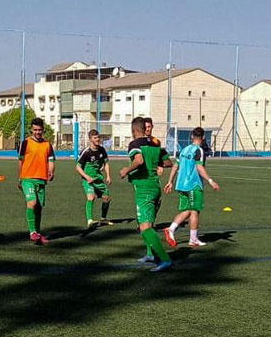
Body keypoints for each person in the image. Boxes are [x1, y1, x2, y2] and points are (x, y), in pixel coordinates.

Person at [119, 117, 172, 272]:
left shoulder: (134, 144)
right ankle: (150, 254)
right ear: (145, 128)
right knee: (147, 224)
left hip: (144, 189)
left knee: (144, 227)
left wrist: (126, 171)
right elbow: (168, 162)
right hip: (155, 187)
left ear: (134, 130)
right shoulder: (155, 145)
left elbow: (139, 160)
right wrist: (157, 165)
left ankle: (165, 259)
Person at [163, 127, 220, 248]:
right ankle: (175, 231)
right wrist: (210, 181)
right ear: (203, 137)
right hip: (193, 184)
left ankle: (190, 237)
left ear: (191, 136)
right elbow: (199, 167)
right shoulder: (199, 150)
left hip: (181, 184)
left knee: (187, 210)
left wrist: (170, 181)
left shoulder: (184, 150)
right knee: (194, 210)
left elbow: (175, 166)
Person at [18, 118, 55, 244]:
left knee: (38, 208)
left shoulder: (47, 144)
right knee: (32, 203)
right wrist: (20, 177)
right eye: (35, 130)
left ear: (43, 130)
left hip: (41, 179)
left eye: (40, 130)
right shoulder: (26, 143)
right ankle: (32, 232)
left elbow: (51, 160)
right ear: (31, 130)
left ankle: (38, 234)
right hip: (28, 178)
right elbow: (20, 160)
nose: (37, 132)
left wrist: (51, 171)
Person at [75, 129, 111, 227]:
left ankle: (103, 219)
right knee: (91, 197)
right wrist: (87, 177)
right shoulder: (86, 152)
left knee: (106, 198)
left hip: (98, 178)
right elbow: (78, 167)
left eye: (98, 137)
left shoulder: (102, 150)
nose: (98, 139)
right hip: (88, 179)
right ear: (90, 139)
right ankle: (90, 220)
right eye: (95, 138)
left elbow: (106, 163)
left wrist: (108, 176)